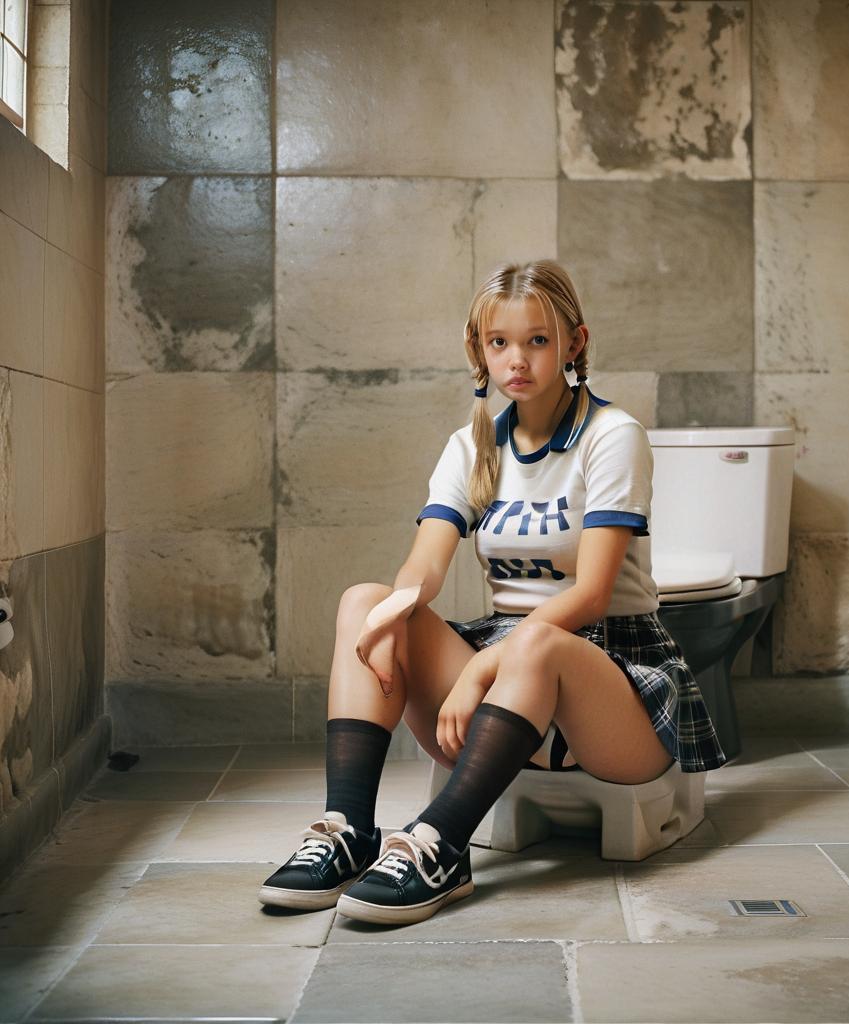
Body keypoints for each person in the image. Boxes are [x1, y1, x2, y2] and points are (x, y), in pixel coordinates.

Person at [257, 259, 726, 926]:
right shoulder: (472, 445)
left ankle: (439, 845)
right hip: (508, 669)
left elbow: (591, 595)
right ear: (478, 349)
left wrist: (483, 664)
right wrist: (393, 611)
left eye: (537, 340)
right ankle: (347, 829)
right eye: (499, 342)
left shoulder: (612, 436)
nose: (517, 360)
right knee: (367, 600)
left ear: (575, 343)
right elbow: (426, 565)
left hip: (612, 679)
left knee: (536, 642)